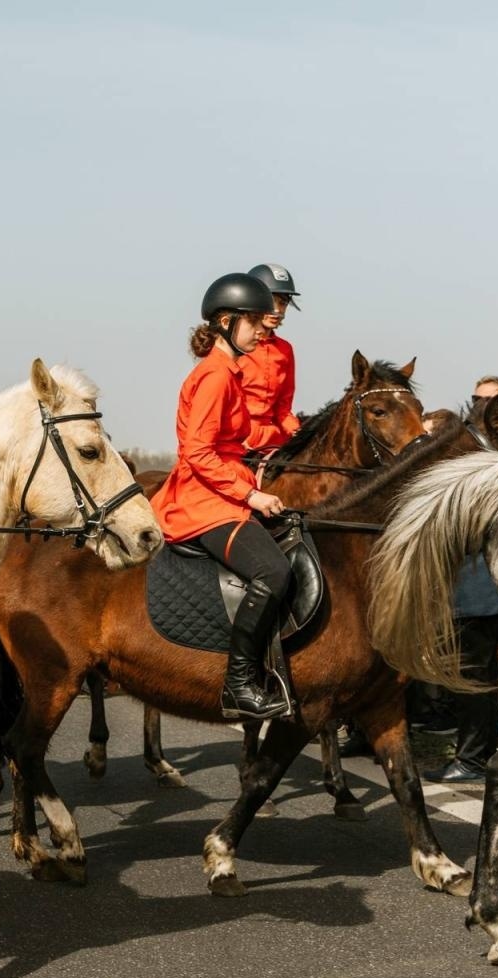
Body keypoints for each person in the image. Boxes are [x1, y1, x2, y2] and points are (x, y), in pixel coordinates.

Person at [152, 274, 295, 721]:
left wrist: (285, 434)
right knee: (273, 571)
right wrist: (249, 496)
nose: (261, 329)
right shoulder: (215, 376)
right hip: (203, 501)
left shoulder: (229, 373)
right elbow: (196, 452)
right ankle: (239, 684)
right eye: (252, 321)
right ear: (227, 322)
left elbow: (242, 434)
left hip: (224, 487)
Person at [423, 376, 498, 781]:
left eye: (487, 400)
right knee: (480, 676)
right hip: (476, 584)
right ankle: (477, 756)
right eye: (474, 398)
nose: (477, 405)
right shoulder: (474, 446)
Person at [243, 264, 302, 453]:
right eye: (271, 301)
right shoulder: (234, 346)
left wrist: (301, 434)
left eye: (283, 303)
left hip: (271, 439)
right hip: (236, 439)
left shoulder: (285, 350)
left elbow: (283, 409)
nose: (278, 310)